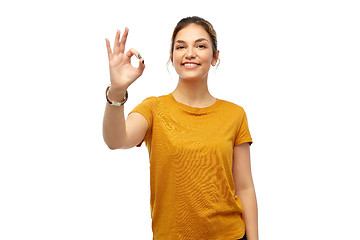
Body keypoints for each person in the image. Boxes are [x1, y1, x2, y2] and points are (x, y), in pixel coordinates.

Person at [103, 16, 258, 240]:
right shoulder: (154, 109)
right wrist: (117, 91)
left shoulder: (235, 114)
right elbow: (115, 140)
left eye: (201, 45)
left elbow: (244, 187)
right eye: (181, 46)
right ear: (172, 56)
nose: (190, 53)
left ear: (215, 57)